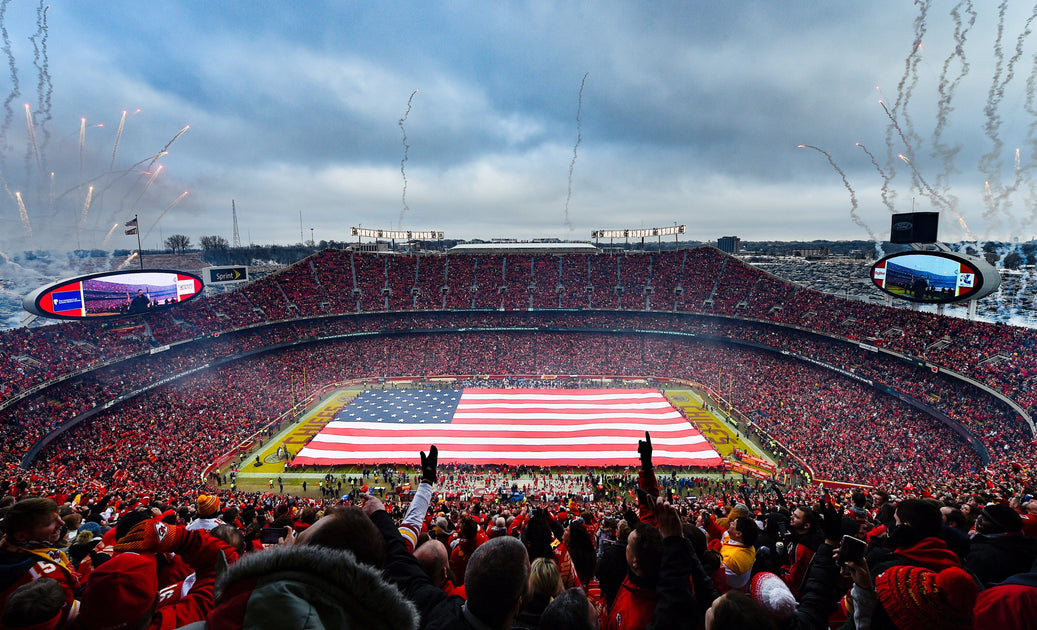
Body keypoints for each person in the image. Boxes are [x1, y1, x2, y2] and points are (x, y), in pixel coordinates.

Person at [367, 445, 532, 630]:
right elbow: (400, 550)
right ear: (518, 604)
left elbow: (398, 553)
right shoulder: (483, 538)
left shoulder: (424, 603)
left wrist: (380, 515)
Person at [0, 498, 79, 627]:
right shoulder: (48, 575)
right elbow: (68, 614)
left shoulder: (8, 542)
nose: (62, 523)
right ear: (21, 536)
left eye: (58, 517)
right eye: (49, 523)